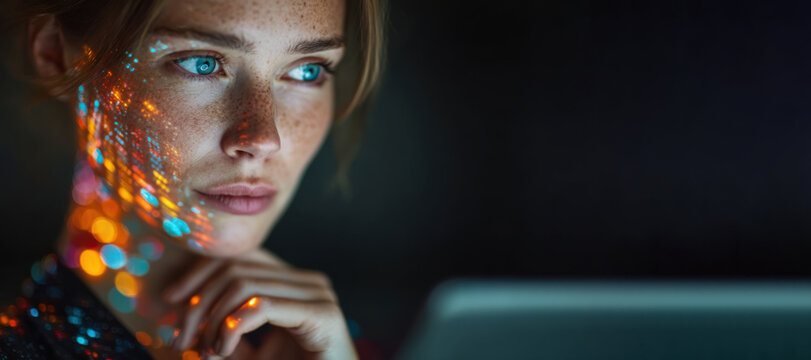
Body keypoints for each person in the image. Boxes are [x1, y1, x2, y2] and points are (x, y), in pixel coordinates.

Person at [0, 0, 384, 358]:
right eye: (201, 63)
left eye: (307, 70)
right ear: (56, 55)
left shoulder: (336, 345)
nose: (263, 140)